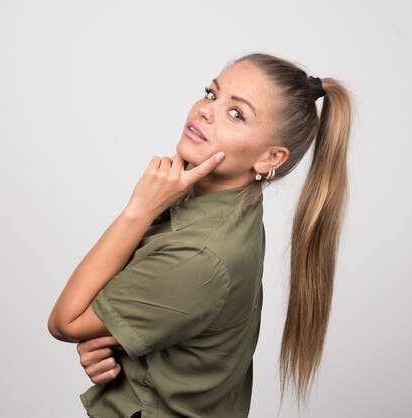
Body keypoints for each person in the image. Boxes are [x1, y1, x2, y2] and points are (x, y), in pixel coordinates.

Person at [48, 52, 352, 417]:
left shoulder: (202, 253)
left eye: (236, 113)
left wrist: (138, 209)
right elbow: (166, 315)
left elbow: (65, 321)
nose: (206, 111)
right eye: (212, 94)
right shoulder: (226, 204)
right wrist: (111, 340)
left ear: (270, 159)